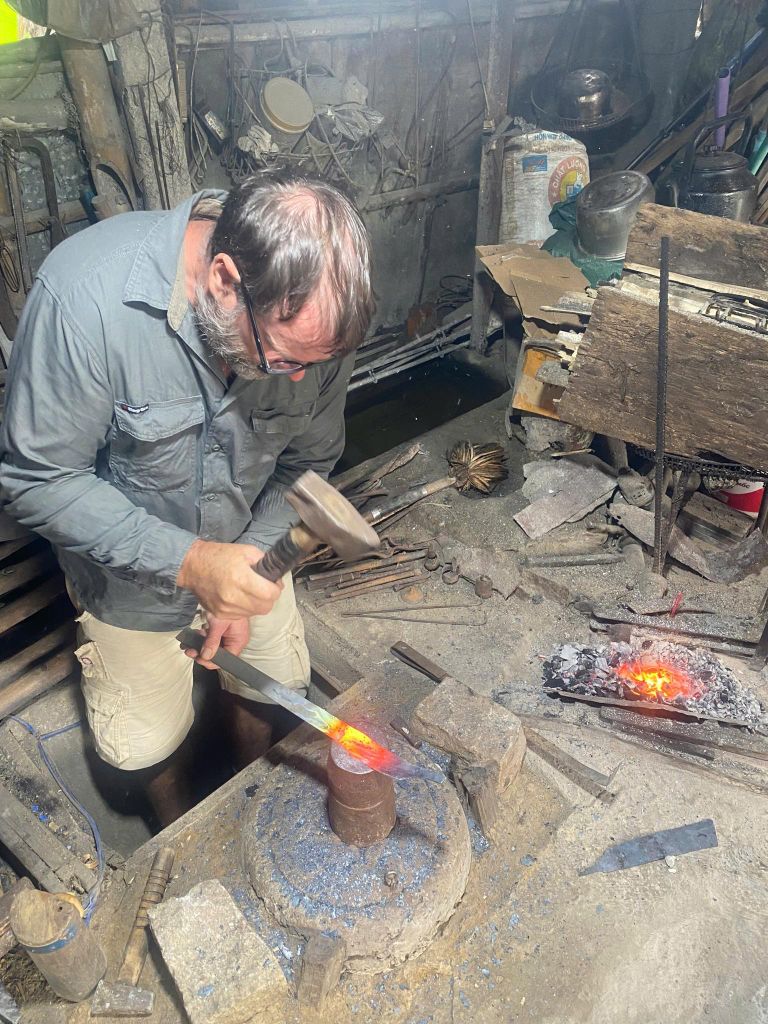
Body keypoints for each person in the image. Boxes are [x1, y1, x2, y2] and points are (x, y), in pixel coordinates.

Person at [0, 171, 374, 825]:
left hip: (249, 547)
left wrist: (255, 565)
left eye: (315, 363)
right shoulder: (84, 301)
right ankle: (181, 832)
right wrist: (192, 563)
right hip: (129, 583)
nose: (300, 379)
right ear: (225, 280)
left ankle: (250, 805)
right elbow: (36, 480)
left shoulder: (316, 326)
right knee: (147, 744)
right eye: (283, 359)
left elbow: (306, 462)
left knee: (274, 685)